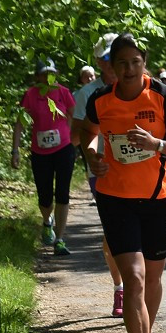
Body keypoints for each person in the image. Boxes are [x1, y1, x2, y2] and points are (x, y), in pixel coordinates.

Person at [81, 33, 166, 333]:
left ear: (144, 63)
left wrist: (156, 143)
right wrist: (92, 155)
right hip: (114, 198)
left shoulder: (162, 95)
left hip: (157, 198)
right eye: (122, 63)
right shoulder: (100, 100)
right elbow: (87, 133)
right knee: (135, 278)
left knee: (153, 280)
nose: (129, 69)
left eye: (136, 61)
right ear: (111, 68)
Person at [72, 33, 125, 317]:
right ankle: (120, 287)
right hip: (103, 172)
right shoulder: (87, 94)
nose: (111, 64)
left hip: (141, 170)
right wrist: (91, 152)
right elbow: (75, 136)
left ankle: (137, 284)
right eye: (105, 59)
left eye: (114, 57)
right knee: (112, 235)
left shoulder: (143, 88)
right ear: (98, 61)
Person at [12, 58, 77, 256]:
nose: (48, 77)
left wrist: (73, 141)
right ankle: (47, 221)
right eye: (44, 74)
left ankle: (60, 239)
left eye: (52, 73)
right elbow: (20, 124)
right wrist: (15, 151)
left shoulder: (63, 92)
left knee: (63, 193)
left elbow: (74, 117)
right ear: (37, 76)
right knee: (45, 196)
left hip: (64, 149)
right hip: (40, 152)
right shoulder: (31, 95)